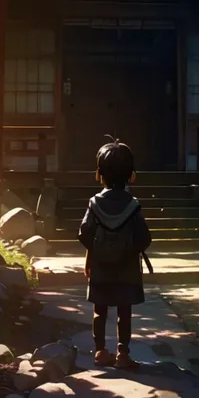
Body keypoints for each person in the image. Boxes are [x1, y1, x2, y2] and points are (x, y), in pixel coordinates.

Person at [78, 137, 152, 368]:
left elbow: (84, 233)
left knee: (99, 309)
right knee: (124, 310)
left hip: (100, 264)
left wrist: (94, 253)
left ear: (100, 173)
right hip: (127, 266)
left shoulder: (94, 204)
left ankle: (100, 351)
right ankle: (123, 354)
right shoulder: (133, 204)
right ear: (131, 173)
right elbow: (144, 238)